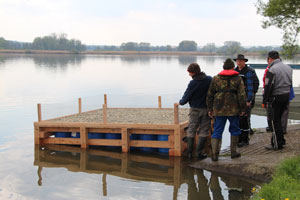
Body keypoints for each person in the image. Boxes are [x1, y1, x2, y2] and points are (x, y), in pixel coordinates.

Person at [206, 58, 246, 161]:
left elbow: (210, 95)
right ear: (233, 67)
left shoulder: (215, 78)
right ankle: (233, 152)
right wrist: (243, 108)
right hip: (234, 108)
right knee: (235, 129)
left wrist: (210, 108)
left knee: (217, 130)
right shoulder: (238, 79)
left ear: (223, 68)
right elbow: (242, 95)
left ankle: (215, 155)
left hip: (219, 108)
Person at [177, 63, 212, 159]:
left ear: (193, 72)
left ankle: (189, 153)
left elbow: (186, 96)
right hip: (206, 109)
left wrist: (181, 102)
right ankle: (199, 153)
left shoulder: (193, 83)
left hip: (195, 109)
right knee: (204, 130)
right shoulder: (209, 79)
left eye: (189, 73)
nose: (189, 75)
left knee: (191, 129)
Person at [263, 51, 293, 150]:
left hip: (275, 97)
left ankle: (276, 144)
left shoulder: (272, 69)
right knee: (279, 120)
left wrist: (265, 100)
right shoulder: (288, 68)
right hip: (286, 96)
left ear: (270, 59)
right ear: (279, 57)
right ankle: (281, 140)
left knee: (273, 121)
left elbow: (268, 86)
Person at [234, 54, 259, 147]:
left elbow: (252, 87)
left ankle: (245, 140)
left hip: (246, 99)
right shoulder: (234, 71)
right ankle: (239, 139)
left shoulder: (249, 71)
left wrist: (249, 99)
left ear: (244, 61)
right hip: (237, 100)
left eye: (240, 61)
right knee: (238, 119)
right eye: (237, 61)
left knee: (245, 119)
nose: (239, 62)